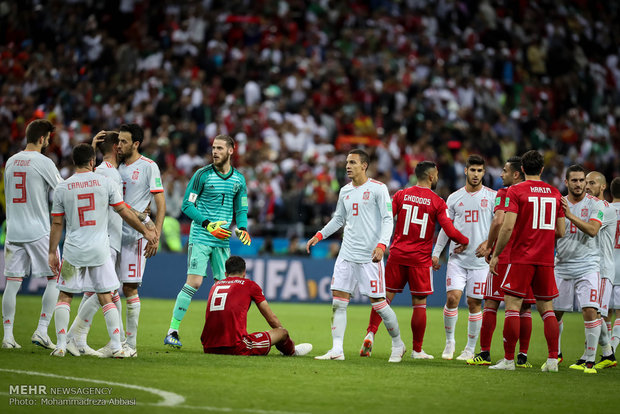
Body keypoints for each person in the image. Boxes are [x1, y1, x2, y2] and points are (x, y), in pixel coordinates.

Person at [47, 144, 157, 357]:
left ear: (73, 162)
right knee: (106, 296)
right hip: (100, 249)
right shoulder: (104, 182)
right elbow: (124, 212)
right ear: (92, 162)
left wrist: (53, 251)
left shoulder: (63, 187)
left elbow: (57, 224)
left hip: (72, 250)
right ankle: (117, 347)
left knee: (65, 295)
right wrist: (145, 230)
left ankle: (61, 344)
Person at [306, 149, 406, 362]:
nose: (347, 166)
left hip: (370, 255)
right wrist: (319, 235)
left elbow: (388, 219)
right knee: (338, 302)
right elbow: (339, 219)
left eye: (352, 162)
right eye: (346, 162)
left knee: (379, 304)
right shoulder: (345, 191)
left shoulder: (379, 189)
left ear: (364, 165)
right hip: (346, 253)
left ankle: (398, 344)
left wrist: (381, 245)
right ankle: (337, 350)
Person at [361, 161, 469, 359]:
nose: (437, 178)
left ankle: (370, 333)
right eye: (436, 174)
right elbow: (449, 229)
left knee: (384, 299)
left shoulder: (401, 195)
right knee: (419, 304)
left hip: (397, 255)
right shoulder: (437, 202)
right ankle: (417, 350)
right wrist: (465, 241)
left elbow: (385, 218)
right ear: (430, 176)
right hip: (419, 260)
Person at [164, 134, 250, 349]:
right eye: (213, 148)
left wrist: (242, 228)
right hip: (201, 236)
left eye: (220, 148)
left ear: (231, 150)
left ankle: (223, 334)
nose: (215, 152)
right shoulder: (201, 175)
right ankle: (172, 330)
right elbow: (187, 206)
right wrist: (208, 224)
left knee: (224, 287)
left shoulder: (239, 179)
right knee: (194, 282)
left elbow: (241, 208)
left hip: (222, 241)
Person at [488, 150, 565, 372]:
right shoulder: (554, 193)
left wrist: (496, 255)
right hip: (545, 258)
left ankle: (509, 361)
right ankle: (552, 360)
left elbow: (508, 226)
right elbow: (561, 231)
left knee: (512, 307)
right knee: (547, 309)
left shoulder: (516, 191)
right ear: (542, 169)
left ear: (522, 169)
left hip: (521, 257)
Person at [467, 156, 534, 367]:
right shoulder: (532, 194)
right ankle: (522, 357)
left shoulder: (506, 193)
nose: (501, 174)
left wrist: (490, 245)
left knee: (491, 304)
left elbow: (499, 220)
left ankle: (485, 353)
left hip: (505, 256)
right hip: (527, 257)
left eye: (504, 171)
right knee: (523, 309)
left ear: (515, 174)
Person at [2, 119, 62, 350]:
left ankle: (8, 336)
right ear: (41, 138)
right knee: (57, 277)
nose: (48, 142)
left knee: (13, 282)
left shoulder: (10, 161)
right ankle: (42, 330)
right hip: (38, 230)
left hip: (14, 230)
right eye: (48, 138)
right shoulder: (44, 162)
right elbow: (63, 190)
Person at [432, 154, 496, 361]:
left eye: (480, 170)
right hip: (457, 259)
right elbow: (445, 228)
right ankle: (450, 341)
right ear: (465, 171)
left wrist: (490, 245)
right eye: (473, 170)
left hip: (480, 262)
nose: (476, 174)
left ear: (484, 173)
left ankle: (469, 348)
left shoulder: (493, 197)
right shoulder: (454, 198)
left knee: (474, 302)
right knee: (452, 298)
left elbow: (500, 226)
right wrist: (436, 252)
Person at [117, 123, 166, 357]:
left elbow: (160, 202)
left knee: (129, 287)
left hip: (136, 236)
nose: (119, 145)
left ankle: (131, 345)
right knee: (106, 289)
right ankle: (116, 342)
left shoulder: (148, 167)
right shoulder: (113, 166)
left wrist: (155, 232)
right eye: (118, 141)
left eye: (124, 141)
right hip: (113, 234)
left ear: (136, 144)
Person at [200, 255, 311, 356]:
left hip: (208, 346)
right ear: (244, 272)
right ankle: (292, 351)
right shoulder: (250, 285)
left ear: (225, 274)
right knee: (282, 333)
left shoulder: (215, 285)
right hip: (236, 346)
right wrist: (283, 337)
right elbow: (271, 319)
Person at [553, 165, 605, 374]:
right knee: (554, 313)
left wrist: (569, 215)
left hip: (588, 265)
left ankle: (590, 360)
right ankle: (555, 354)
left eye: (582, 180)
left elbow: (593, 230)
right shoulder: (558, 203)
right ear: (566, 182)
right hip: (562, 265)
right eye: (574, 180)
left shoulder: (597, 204)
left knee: (590, 310)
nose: (578, 184)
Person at [583, 171, 616, 369]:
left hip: (603, 269)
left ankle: (594, 357)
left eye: (592, 183)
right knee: (594, 314)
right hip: (594, 267)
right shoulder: (591, 207)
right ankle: (606, 354)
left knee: (597, 314)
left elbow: (591, 229)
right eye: (586, 182)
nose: (587, 186)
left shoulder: (605, 208)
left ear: (603, 187)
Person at [610, 177, 620, 353]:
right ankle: (610, 348)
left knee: (603, 313)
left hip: (605, 267)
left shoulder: (604, 208)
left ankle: (606, 350)